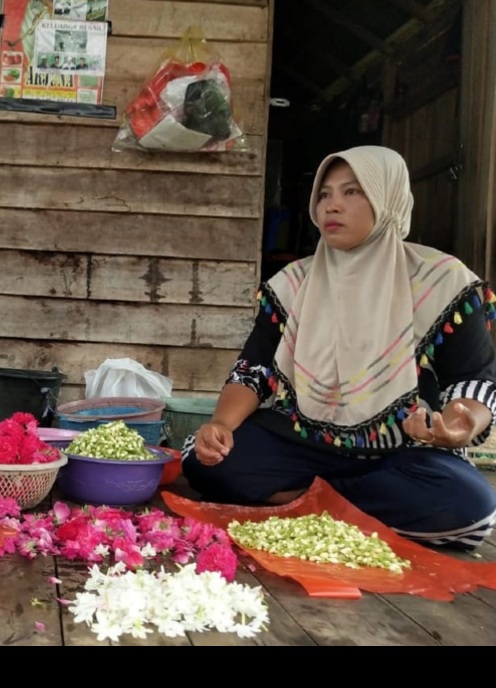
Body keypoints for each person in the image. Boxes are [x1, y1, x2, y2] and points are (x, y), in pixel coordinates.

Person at [182, 145, 496, 550]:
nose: (332, 206)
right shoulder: (292, 283)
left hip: (401, 450)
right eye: (325, 194)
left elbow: (473, 379)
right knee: (203, 458)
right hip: (300, 440)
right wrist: (221, 426)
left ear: (388, 199)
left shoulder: (442, 282)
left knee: (470, 508)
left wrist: (460, 425)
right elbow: (252, 370)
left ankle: (298, 503)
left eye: (352, 192)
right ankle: (351, 511)